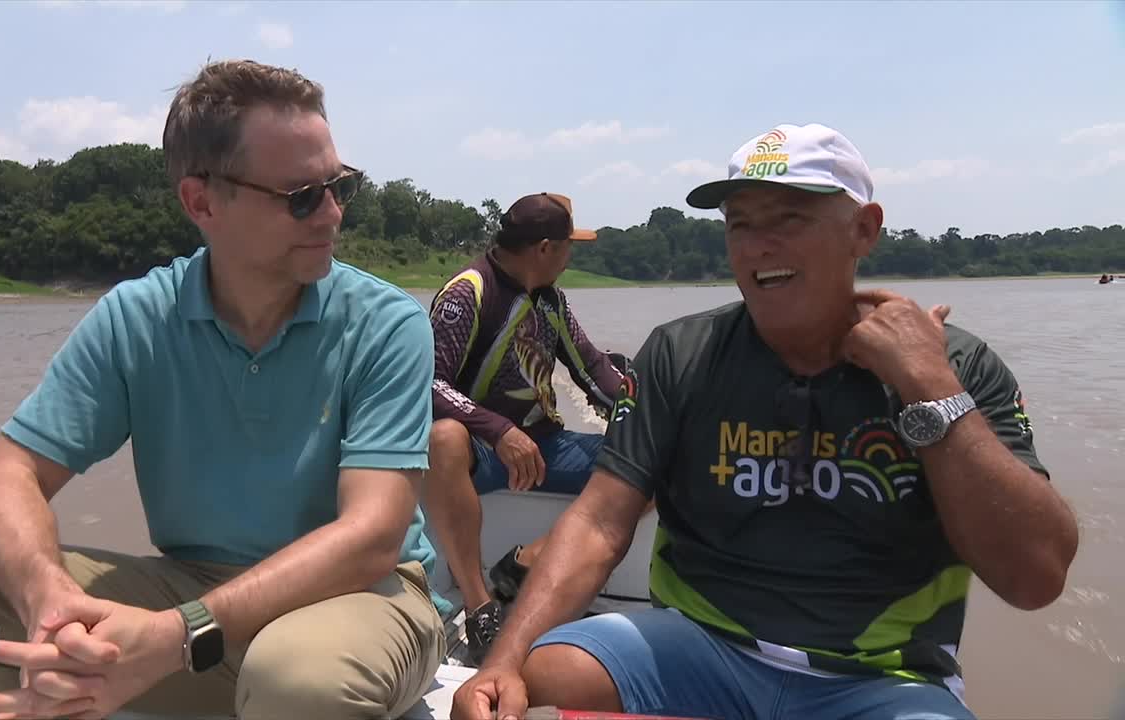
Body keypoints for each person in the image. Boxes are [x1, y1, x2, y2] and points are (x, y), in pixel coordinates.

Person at [451, 123, 1079, 720]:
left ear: (864, 229)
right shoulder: (681, 353)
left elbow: (1036, 579)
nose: (757, 245)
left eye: (789, 219)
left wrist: (929, 388)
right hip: (699, 645)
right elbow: (598, 523)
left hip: (880, 679)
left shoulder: (958, 365)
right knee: (536, 679)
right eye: (741, 224)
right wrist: (502, 661)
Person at [0, 59, 445, 720]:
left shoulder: (386, 324)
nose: (332, 213)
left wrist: (181, 633)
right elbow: (7, 475)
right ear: (201, 202)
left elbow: (373, 535)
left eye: (339, 185)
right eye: (301, 196)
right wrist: (47, 600)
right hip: (194, 593)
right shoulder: (137, 319)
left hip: (363, 596)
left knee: (297, 680)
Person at [423, 192, 629, 665]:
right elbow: (429, 382)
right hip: (482, 449)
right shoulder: (468, 294)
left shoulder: (550, 300)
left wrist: (649, 411)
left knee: (656, 460)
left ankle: (527, 561)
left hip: (547, 444)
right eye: (569, 246)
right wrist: (499, 430)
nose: (571, 256)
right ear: (545, 249)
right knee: (443, 438)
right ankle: (480, 607)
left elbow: (592, 369)